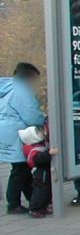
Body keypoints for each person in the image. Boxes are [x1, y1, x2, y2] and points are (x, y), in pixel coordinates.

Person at [0, 63, 45, 214]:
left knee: (21, 167)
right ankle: (13, 203)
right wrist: (42, 120)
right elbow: (31, 114)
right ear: (28, 77)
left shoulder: (7, 87)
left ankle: (33, 198)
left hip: (5, 130)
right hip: (16, 132)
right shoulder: (22, 91)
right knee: (20, 168)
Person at [19, 125, 57, 218]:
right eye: (38, 132)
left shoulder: (38, 146)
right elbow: (38, 159)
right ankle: (35, 208)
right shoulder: (34, 150)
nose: (41, 133)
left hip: (44, 172)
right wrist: (48, 153)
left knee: (47, 191)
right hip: (41, 173)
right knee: (40, 191)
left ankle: (43, 206)